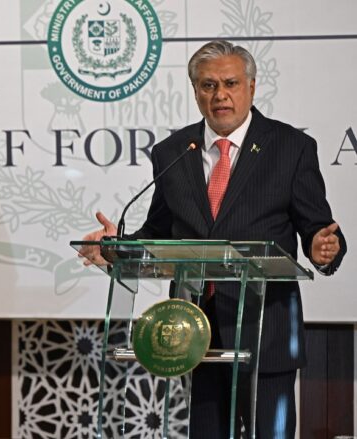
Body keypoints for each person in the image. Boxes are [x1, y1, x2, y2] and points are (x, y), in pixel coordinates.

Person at [81, 40, 346, 438]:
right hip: (196, 331)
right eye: (208, 85)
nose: (220, 94)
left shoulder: (290, 147)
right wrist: (117, 248)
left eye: (230, 83)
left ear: (251, 87)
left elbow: (317, 228)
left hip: (266, 330)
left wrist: (321, 249)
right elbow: (159, 232)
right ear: (195, 91)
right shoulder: (173, 151)